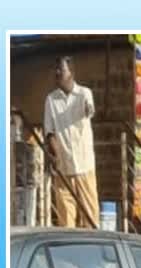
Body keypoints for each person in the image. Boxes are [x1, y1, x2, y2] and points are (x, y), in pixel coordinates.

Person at [44, 56, 99, 229]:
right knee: (66, 220)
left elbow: (89, 109)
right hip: (64, 168)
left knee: (90, 217)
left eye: (62, 69)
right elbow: (49, 132)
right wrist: (56, 154)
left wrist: (87, 108)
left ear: (71, 73)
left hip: (84, 165)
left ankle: (92, 251)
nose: (58, 73)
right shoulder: (51, 100)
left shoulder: (84, 93)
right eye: (57, 70)